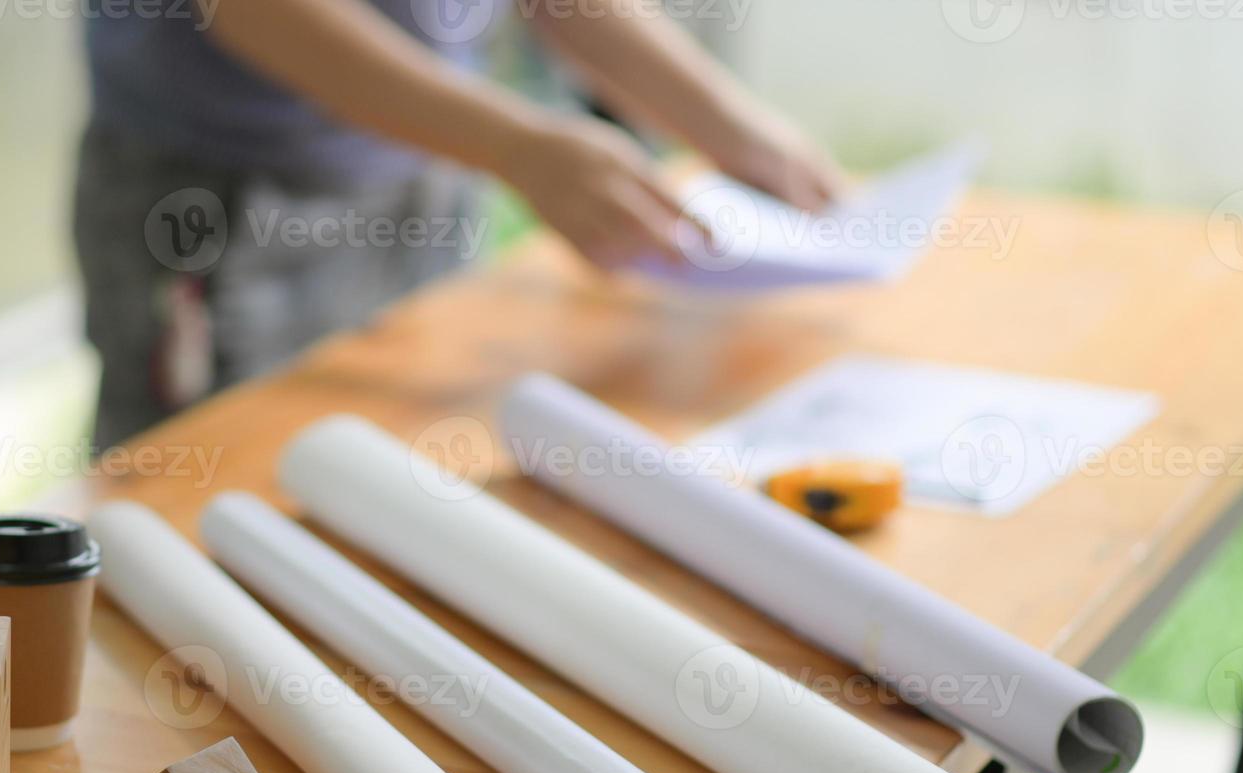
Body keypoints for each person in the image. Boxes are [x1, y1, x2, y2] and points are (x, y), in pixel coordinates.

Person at [76, 0, 845, 448]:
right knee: (201, 512)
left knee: (400, 472)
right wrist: (511, 144)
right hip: (228, 200)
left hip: (425, 159)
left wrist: (728, 123)